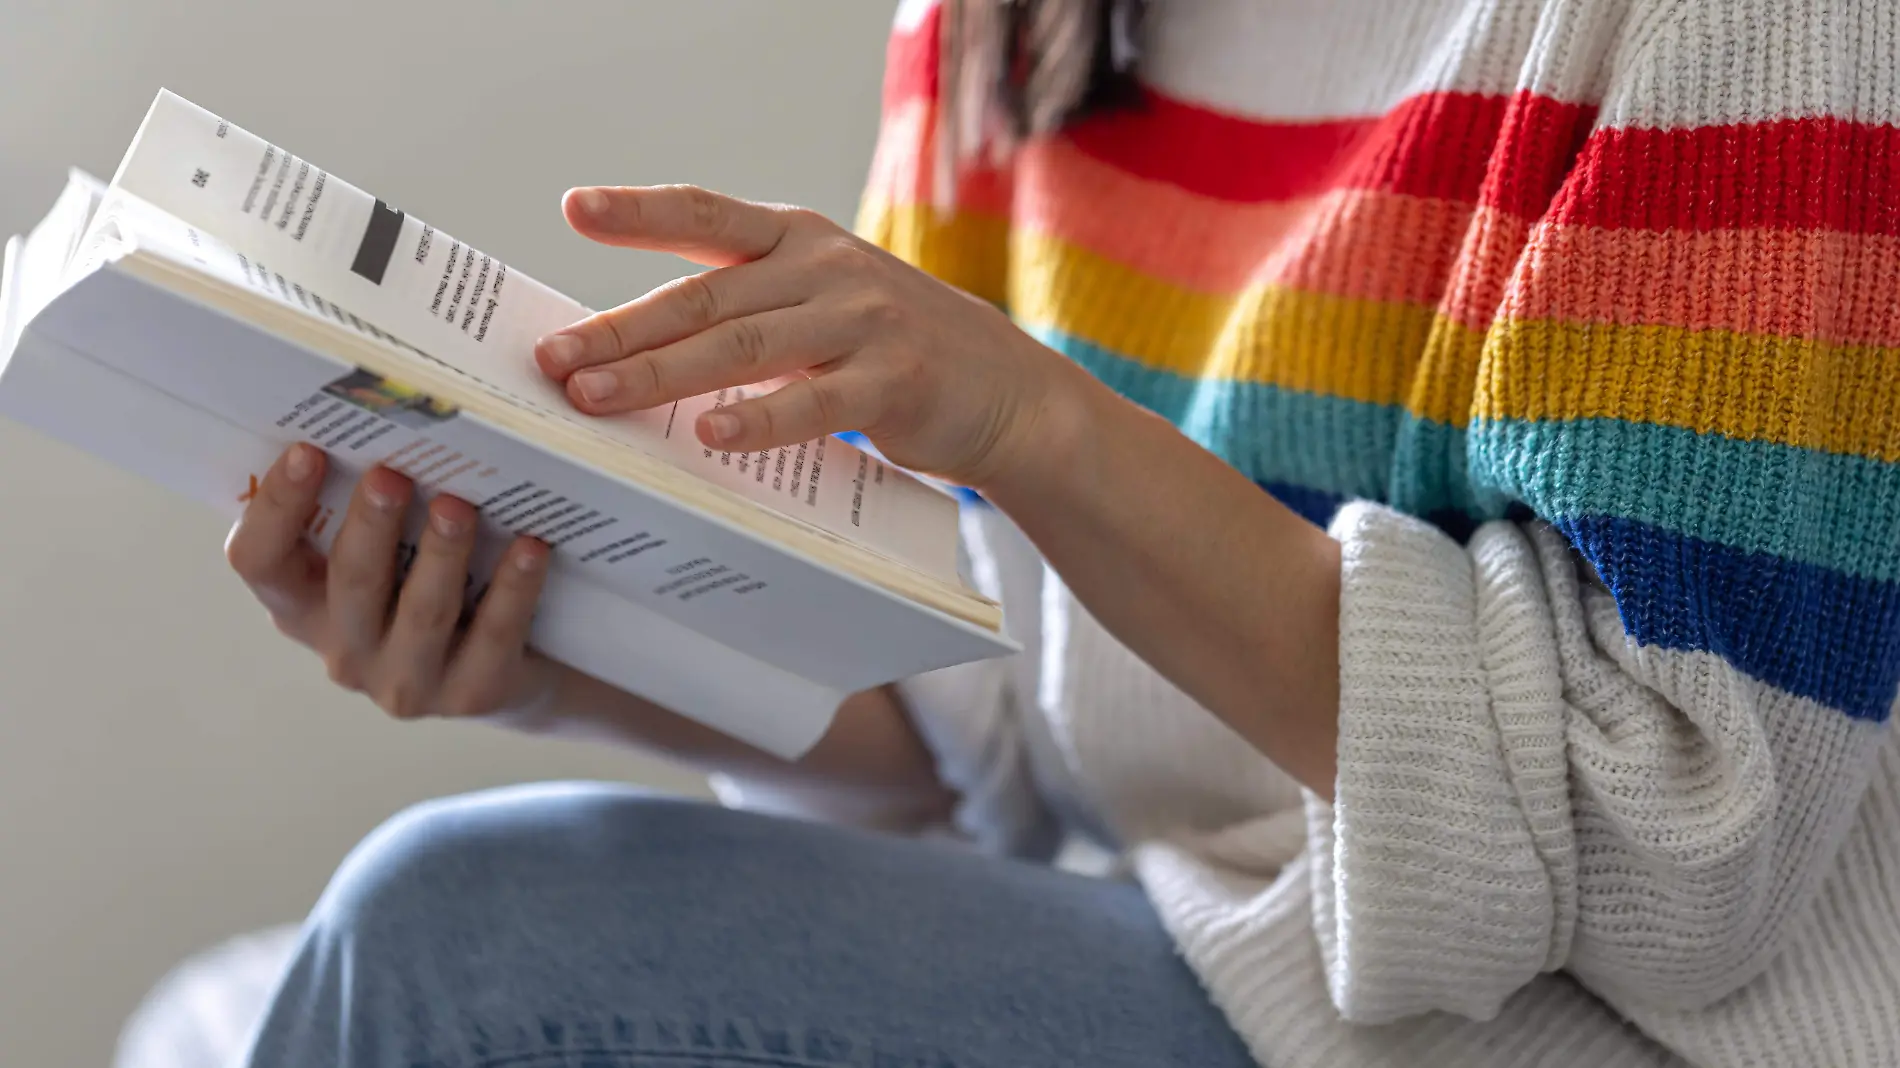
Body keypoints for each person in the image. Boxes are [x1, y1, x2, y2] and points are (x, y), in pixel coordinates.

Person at [225, 1, 1900, 1065]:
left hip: (1585, 1035)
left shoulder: (1743, 24)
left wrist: (1043, 432)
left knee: (448, 939)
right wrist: (545, 647)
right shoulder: (1015, 28)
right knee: (230, 1011)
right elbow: (1005, 728)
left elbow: (1686, 854)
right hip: (1181, 929)